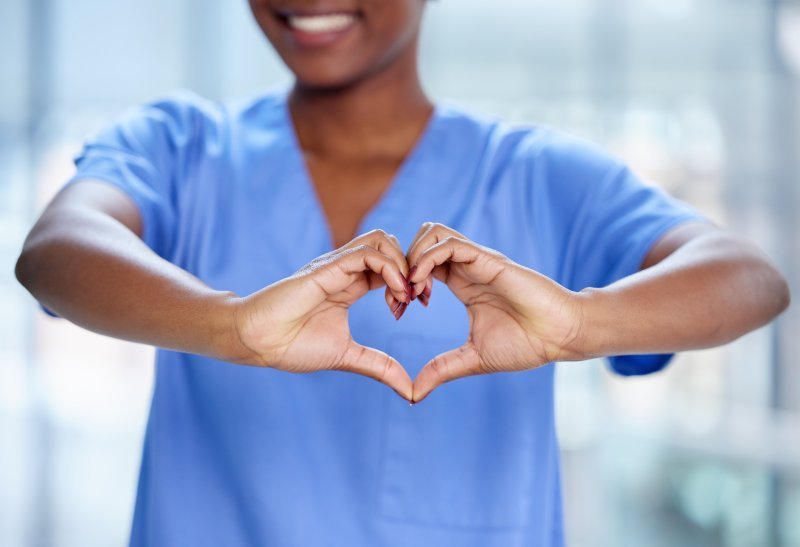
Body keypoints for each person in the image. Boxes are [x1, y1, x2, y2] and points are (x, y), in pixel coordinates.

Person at [15, 0, 790, 545]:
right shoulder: (183, 148)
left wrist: (585, 322)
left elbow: (746, 276)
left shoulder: (536, 176)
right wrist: (232, 324)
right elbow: (56, 248)